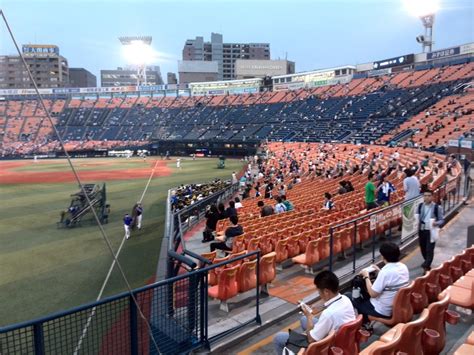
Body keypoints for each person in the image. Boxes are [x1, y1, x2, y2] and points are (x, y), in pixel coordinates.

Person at [273, 271, 356, 355]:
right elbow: (330, 304)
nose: (319, 295)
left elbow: (311, 339)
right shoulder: (345, 299)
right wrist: (315, 307)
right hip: (342, 337)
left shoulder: (328, 314)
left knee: (278, 338)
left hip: (328, 344)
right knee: (304, 319)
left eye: (319, 292)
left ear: (326, 292)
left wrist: (309, 316)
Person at [350, 242, 409, 329]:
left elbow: (373, 294)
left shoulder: (385, 273)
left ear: (383, 256)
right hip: (395, 306)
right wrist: (379, 271)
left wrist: (366, 276)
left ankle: (364, 324)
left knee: (353, 299)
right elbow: (391, 278)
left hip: (381, 310)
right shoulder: (403, 267)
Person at [416, 190, 444, 273]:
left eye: (428, 195)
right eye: (425, 195)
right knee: (423, 248)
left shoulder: (436, 207)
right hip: (422, 230)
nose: (426, 197)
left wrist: (436, 223)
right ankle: (426, 261)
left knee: (429, 249)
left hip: (431, 231)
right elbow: (417, 216)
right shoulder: (420, 206)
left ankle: (426, 266)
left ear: (432, 197)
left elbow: (442, 220)